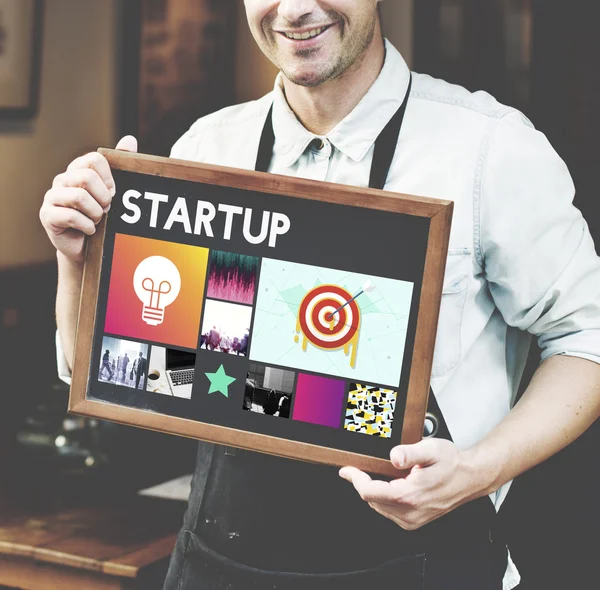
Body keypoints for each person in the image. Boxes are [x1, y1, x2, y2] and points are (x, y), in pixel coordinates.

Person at [40, 1, 600, 589]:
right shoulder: (205, 151)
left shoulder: (490, 149)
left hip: (427, 567)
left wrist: (478, 471)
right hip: (220, 566)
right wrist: (74, 258)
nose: (297, 7)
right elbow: (108, 369)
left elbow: (587, 339)